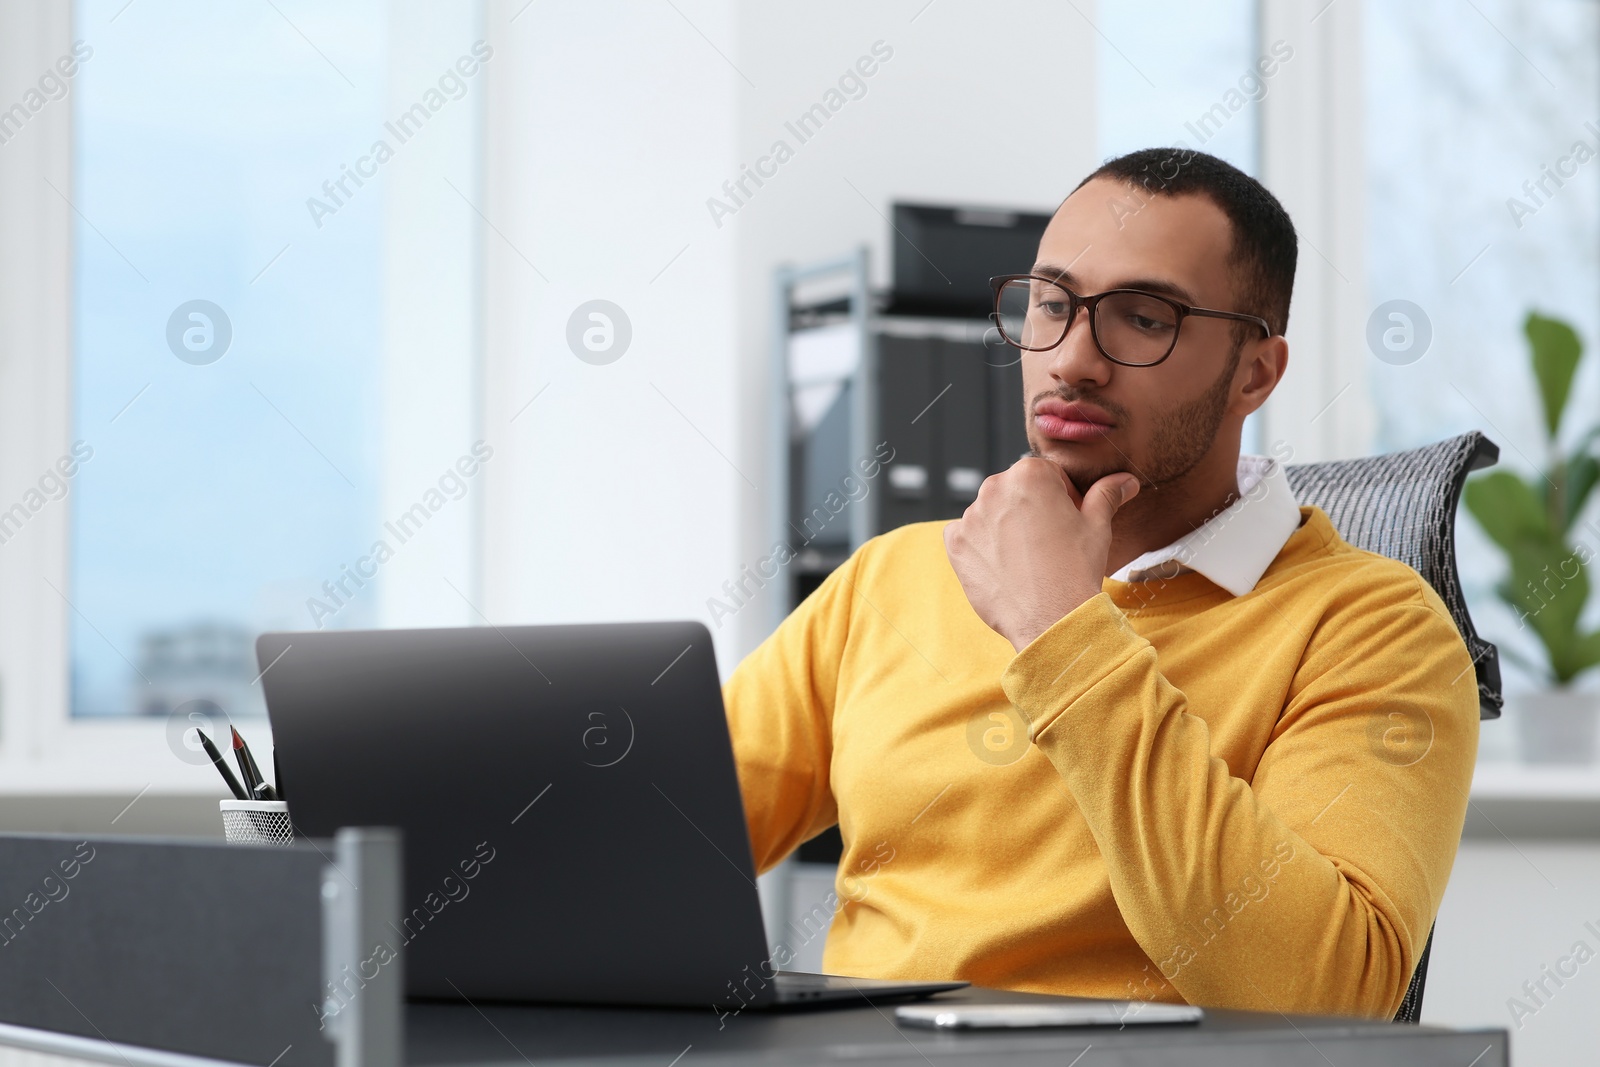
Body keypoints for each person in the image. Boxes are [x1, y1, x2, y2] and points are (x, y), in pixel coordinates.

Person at [722, 147, 1478, 1018]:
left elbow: (1323, 996)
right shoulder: (893, 576)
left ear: (1255, 372)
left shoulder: (1373, 626)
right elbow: (661, 845)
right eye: (1052, 304)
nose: (1072, 359)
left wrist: (1062, 628)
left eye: (1144, 319)